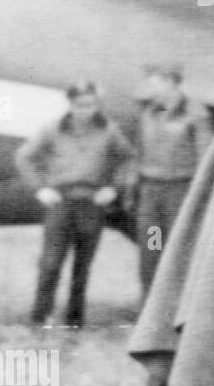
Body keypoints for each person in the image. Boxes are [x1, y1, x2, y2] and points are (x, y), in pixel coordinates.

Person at [16, 81, 134, 327]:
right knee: (50, 264)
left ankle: (75, 320)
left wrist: (113, 188)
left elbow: (128, 159)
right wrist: (40, 189)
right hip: (61, 204)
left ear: (96, 104)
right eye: (79, 105)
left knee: (82, 267)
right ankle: (39, 320)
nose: (85, 110)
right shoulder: (52, 129)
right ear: (70, 104)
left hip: (92, 206)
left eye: (90, 104)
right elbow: (24, 157)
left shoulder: (110, 131)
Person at [133, 63, 213, 294]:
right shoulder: (150, 111)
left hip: (180, 191)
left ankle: (178, 308)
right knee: (152, 246)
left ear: (170, 82)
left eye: (154, 81)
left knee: (179, 248)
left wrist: (199, 194)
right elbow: (140, 150)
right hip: (152, 192)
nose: (149, 87)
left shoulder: (195, 113)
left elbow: (205, 156)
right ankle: (150, 303)